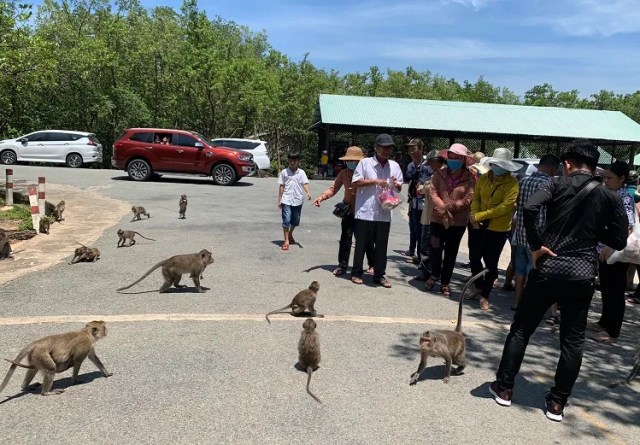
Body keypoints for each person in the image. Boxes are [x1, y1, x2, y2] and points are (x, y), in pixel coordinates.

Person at [490, 139, 627, 422]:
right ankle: (556, 404)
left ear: (567, 164)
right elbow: (618, 240)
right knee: (572, 341)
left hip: (548, 267)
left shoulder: (554, 185)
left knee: (521, 330)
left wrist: (537, 244)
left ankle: (504, 388)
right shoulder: (609, 196)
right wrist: (591, 231)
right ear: (593, 165)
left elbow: (528, 208)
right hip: (581, 274)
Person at [588, 161, 635, 344]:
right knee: (606, 288)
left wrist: (610, 246)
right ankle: (604, 322)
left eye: (610, 178)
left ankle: (613, 331)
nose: (605, 181)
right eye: (604, 177)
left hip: (616, 252)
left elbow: (628, 226)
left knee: (615, 291)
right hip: (603, 250)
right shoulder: (607, 193)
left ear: (622, 179)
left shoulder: (624, 197)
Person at [467, 148, 520, 310]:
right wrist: (474, 215)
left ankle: (485, 295)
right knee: (474, 256)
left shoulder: (512, 183)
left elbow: (505, 207)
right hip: (478, 225)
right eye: (495, 163)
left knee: (491, 263)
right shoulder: (483, 179)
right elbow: (476, 198)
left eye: (501, 164)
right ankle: (478, 285)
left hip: (498, 228)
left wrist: (480, 216)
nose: (497, 166)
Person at [351, 133, 404, 288]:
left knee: (381, 246)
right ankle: (356, 273)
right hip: (365, 211)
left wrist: (397, 185)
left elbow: (399, 185)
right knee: (361, 244)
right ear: (376, 147)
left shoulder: (394, 165)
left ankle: (379, 275)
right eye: (384, 147)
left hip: (384, 212)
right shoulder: (365, 163)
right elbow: (356, 181)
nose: (387, 151)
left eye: (389, 148)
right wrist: (374, 181)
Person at [312, 146, 374, 276]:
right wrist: (321, 197)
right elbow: (333, 188)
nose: (350, 163)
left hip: (363, 211)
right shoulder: (344, 173)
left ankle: (372, 264)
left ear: (360, 161)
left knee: (366, 239)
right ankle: (342, 266)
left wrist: (358, 191)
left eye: (353, 160)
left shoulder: (367, 173)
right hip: (348, 210)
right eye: (348, 160)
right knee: (345, 238)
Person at [424, 144, 476, 297]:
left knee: (451, 252)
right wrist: (441, 207)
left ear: (463, 159)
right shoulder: (439, 174)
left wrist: (451, 207)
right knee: (434, 246)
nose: (453, 160)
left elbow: (469, 198)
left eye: (456, 158)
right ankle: (434, 274)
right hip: (437, 217)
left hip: (458, 220)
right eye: (451, 158)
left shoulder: (470, 177)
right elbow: (433, 192)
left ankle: (445, 281)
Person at [511, 154, 560, 311]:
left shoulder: (524, 181)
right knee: (534, 271)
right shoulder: (549, 183)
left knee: (519, 270)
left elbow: (519, 204)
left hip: (521, 232)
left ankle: (517, 302)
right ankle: (529, 305)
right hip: (538, 236)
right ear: (553, 167)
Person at [416, 150, 447, 280]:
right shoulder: (439, 174)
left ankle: (428, 272)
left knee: (427, 247)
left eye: (430, 163)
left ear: (435, 161)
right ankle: (434, 271)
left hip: (431, 217)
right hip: (433, 216)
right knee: (435, 246)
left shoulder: (441, 174)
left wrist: (422, 187)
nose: (429, 166)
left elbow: (427, 189)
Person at [404, 138, 431, 264]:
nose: (411, 151)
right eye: (409, 149)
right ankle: (417, 255)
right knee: (415, 229)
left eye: (413, 148)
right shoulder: (410, 165)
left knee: (423, 231)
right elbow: (409, 178)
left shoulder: (429, 164)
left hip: (426, 202)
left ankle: (423, 258)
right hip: (414, 201)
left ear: (421, 149)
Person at [277, 152, 311, 251]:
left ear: (298, 161)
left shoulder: (301, 172)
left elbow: (305, 183)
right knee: (286, 220)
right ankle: (286, 241)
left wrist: (308, 192)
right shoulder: (284, 172)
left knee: (295, 220)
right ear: (288, 160)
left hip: (298, 199)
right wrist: (280, 200)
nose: (292, 162)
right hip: (286, 199)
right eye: (290, 160)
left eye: (294, 160)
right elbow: (281, 186)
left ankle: (290, 233)